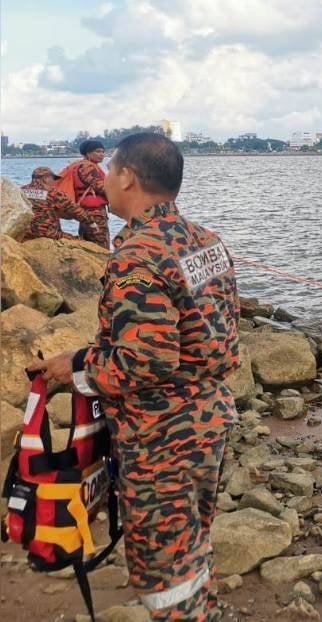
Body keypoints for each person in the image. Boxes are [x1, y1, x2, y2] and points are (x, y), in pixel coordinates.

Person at [28, 133, 240, 621]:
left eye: (111, 171)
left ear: (126, 176)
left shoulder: (138, 255)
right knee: (191, 535)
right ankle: (199, 608)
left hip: (163, 435)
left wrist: (77, 369)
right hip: (210, 417)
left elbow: (147, 362)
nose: (104, 179)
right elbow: (213, 333)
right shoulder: (206, 241)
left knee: (163, 564)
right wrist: (85, 355)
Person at [20, 166, 99, 241]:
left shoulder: (21, 191)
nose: (54, 181)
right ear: (45, 179)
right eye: (53, 178)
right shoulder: (53, 193)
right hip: (48, 234)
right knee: (79, 241)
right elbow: (75, 210)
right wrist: (91, 223)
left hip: (25, 233)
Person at [58, 139, 111, 248]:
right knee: (101, 243)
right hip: (94, 212)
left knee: (88, 241)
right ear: (88, 153)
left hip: (85, 211)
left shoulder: (78, 165)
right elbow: (101, 187)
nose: (102, 154)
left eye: (103, 151)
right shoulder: (88, 166)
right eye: (98, 151)